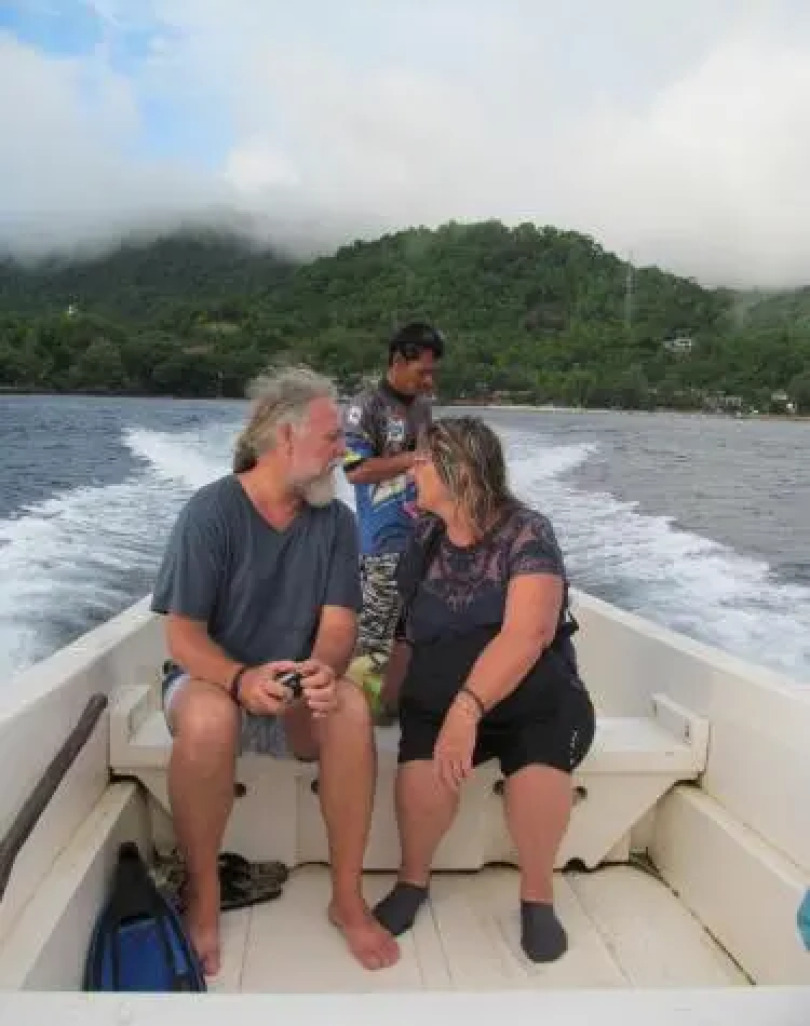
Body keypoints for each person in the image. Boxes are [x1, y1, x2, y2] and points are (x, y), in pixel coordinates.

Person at [150, 365, 400, 977]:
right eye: (332, 438)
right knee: (208, 721)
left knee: (348, 706)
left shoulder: (336, 522)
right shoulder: (211, 513)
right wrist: (241, 681)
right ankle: (204, 898)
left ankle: (347, 897)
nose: (345, 451)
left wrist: (321, 669)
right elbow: (183, 636)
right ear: (284, 440)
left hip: (292, 686)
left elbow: (339, 623)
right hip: (215, 681)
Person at [372, 418, 596, 963]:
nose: (411, 469)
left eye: (422, 460)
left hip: (531, 698)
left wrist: (467, 711)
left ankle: (538, 897)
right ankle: (412, 881)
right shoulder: (423, 539)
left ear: (459, 472)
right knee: (421, 777)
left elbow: (529, 634)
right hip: (439, 701)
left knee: (538, 765)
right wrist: (388, 700)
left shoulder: (528, 532)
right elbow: (406, 630)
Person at [342, 322, 443, 712]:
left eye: (433, 372)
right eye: (423, 371)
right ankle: (359, 717)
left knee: (414, 631)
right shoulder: (362, 407)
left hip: (423, 538)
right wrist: (414, 458)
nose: (429, 380)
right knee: (374, 636)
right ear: (398, 361)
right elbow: (354, 470)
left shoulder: (423, 408)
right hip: (382, 542)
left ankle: (394, 704)